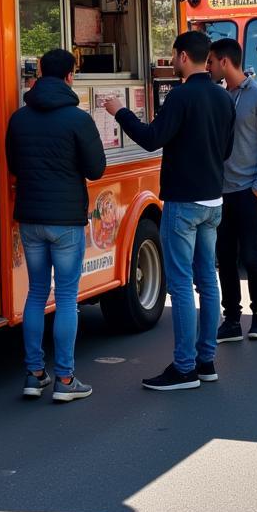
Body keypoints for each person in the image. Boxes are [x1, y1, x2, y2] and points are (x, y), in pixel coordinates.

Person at [103, 31, 235, 392]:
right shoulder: (223, 97)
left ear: (181, 57)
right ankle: (206, 361)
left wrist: (120, 112)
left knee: (179, 283)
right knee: (207, 280)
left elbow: (151, 138)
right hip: (213, 200)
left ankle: (184, 367)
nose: (171, 61)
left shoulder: (180, 96)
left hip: (183, 201)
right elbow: (226, 149)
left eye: (173, 56)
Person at [6, 49, 106, 403]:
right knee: (65, 298)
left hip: (30, 219)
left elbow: (14, 164)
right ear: (69, 77)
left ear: (40, 74)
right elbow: (96, 169)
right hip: (66, 222)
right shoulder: (77, 120)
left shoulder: (19, 118)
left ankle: (34, 375)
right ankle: (65, 379)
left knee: (35, 293)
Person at [207, 38, 257, 343]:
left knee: (252, 255)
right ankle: (232, 319)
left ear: (225, 62)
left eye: (210, 61)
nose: (207, 67)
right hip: (222, 192)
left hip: (249, 192)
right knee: (225, 256)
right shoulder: (219, 96)